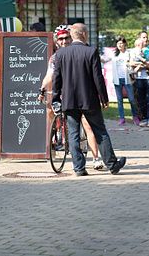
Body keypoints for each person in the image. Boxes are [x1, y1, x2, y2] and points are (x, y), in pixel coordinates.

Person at [51, 23, 126, 177]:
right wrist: (104, 98)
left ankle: (79, 168)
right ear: (84, 34)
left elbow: (56, 79)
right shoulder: (91, 51)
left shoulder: (60, 54)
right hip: (89, 99)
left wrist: (55, 99)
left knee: (73, 134)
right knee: (100, 131)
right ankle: (112, 164)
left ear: (72, 35)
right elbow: (98, 78)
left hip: (69, 101)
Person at [42, 25, 105, 170]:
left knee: (88, 126)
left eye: (67, 38)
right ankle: (53, 148)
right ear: (56, 41)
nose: (64, 41)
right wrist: (41, 88)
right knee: (60, 121)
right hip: (66, 95)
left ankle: (96, 158)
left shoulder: (84, 50)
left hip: (82, 96)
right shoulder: (55, 57)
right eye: (61, 39)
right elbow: (50, 76)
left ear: (72, 37)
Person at [106, 36, 138, 125]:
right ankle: (122, 118)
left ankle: (135, 117)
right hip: (117, 79)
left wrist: (131, 64)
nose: (120, 45)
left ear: (125, 44)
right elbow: (105, 60)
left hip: (127, 78)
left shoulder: (129, 53)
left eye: (121, 43)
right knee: (119, 100)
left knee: (131, 99)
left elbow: (133, 62)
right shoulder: (114, 54)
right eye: (118, 43)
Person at [131, 32, 149, 127]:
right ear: (139, 39)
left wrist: (140, 65)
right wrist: (143, 65)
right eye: (143, 37)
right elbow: (131, 63)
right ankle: (143, 118)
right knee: (141, 99)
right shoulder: (135, 50)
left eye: (146, 37)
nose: (145, 39)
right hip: (139, 78)